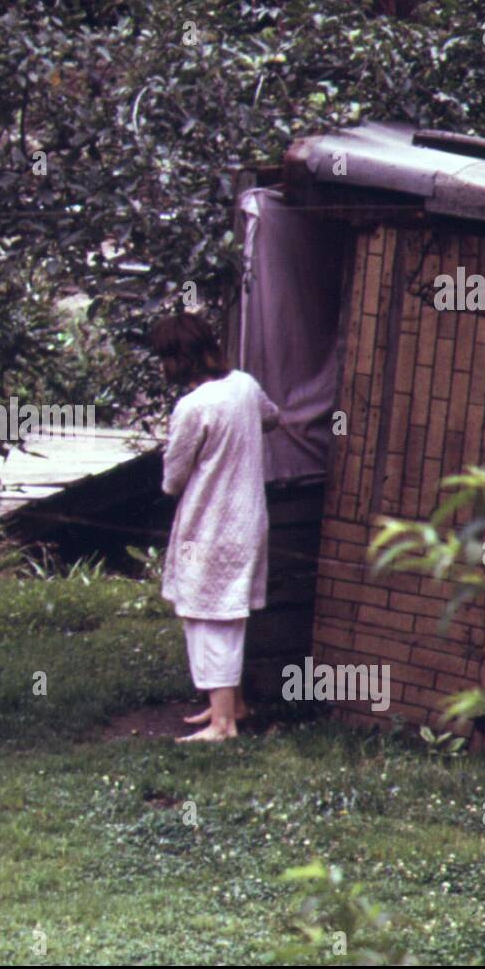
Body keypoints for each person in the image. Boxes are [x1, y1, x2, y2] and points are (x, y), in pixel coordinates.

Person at [148, 313, 281, 743]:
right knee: (224, 611)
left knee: (209, 616)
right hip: (248, 520)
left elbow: (172, 479)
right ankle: (232, 704)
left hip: (210, 525)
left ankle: (223, 725)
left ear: (174, 359)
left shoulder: (192, 407)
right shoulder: (243, 385)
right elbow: (272, 417)